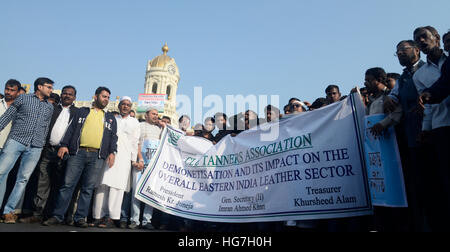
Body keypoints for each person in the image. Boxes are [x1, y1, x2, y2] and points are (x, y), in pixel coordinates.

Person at [43, 87, 118, 228]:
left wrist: (112, 152)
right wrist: (64, 145)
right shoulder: (82, 112)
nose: (106, 99)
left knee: (87, 188)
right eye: (104, 96)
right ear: (95, 96)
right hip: (77, 153)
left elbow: (113, 137)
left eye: (108, 97)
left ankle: (80, 218)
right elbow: (70, 129)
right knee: (67, 185)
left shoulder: (110, 118)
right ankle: (57, 216)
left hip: (97, 156)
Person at [18, 85, 78, 224]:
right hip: (48, 149)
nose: (67, 96)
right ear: (61, 95)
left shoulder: (77, 113)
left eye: (70, 94)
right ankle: (37, 213)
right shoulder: (52, 108)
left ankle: (55, 215)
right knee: (42, 182)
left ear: (74, 97)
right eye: (65, 93)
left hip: (65, 153)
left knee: (61, 184)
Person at [384, 40, 427, 231]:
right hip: (412, 134)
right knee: (419, 185)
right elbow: (394, 97)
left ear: (417, 50)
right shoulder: (402, 79)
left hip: (433, 129)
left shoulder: (426, 70)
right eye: (397, 52)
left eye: (403, 50)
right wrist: (390, 98)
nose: (400, 54)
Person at [0, 77, 54, 224]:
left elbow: (46, 128)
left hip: (35, 146)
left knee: (22, 180)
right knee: (1, 172)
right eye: (48, 87)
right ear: (39, 87)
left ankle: (8, 211)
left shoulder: (49, 107)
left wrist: (41, 144)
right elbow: (6, 117)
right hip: (16, 141)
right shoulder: (23, 98)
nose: (51, 90)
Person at [412, 26, 450, 230]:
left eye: (424, 37)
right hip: (441, 127)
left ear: (436, 38)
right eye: (417, 40)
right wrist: (425, 130)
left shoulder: (449, 59)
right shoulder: (420, 75)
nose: (421, 41)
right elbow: (425, 106)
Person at [92, 96, 140, 228]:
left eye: (128, 105)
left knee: (117, 187)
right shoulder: (111, 119)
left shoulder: (135, 122)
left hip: (124, 158)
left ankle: (111, 217)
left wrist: (133, 159)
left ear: (130, 108)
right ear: (119, 106)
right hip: (109, 154)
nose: (125, 106)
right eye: (123, 104)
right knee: (102, 184)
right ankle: (98, 215)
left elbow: (135, 142)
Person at [128, 108, 165, 230]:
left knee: (150, 192)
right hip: (140, 164)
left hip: (152, 166)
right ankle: (135, 219)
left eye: (157, 114)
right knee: (136, 193)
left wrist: (163, 125)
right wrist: (139, 159)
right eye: (153, 114)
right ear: (146, 115)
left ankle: (146, 220)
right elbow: (137, 143)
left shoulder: (159, 129)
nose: (156, 116)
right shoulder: (140, 126)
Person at [0, 79, 21, 210]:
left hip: (10, 148)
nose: (8, 92)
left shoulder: (20, 108)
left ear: (18, 92)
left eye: (12, 90)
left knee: (3, 180)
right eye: (7, 89)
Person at [419, 31, 450, 105]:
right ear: (445, 46)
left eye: (424, 36)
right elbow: (444, 84)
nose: (421, 40)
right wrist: (429, 94)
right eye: (448, 41)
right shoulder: (447, 64)